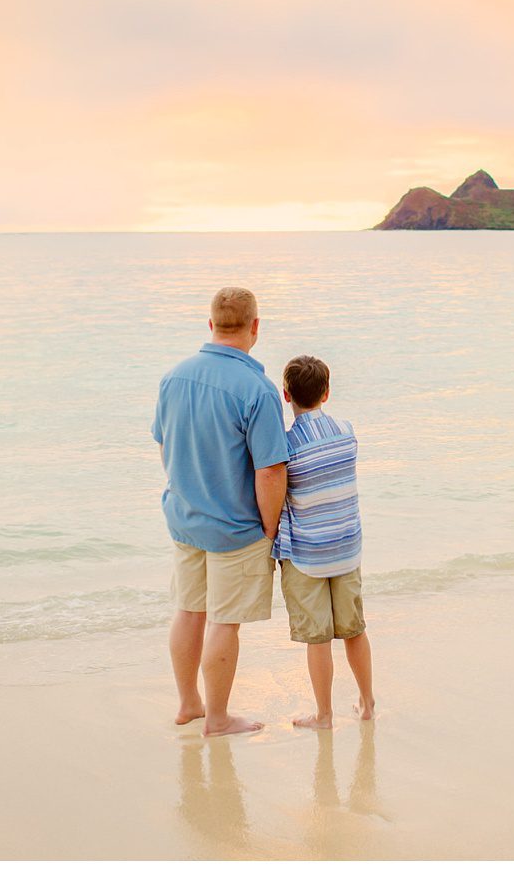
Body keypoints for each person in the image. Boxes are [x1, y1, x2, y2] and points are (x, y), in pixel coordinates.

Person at [151, 287, 288, 737]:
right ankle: (217, 718)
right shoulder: (258, 389)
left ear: (210, 325)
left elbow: (164, 442)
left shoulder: (174, 377)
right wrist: (269, 528)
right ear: (255, 327)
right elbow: (270, 471)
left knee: (189, 611)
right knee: (224, 622)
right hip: (235, 527)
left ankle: (189, 703)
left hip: (184, 518)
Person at [272, 354, 375, 730]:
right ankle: (366, 703)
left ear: (286, 396)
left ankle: (324, 715)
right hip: (346, 549)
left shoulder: (286, 449)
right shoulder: (346, 432)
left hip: (308, 555)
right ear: (326, 393)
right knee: (354, 630)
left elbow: (277, 490)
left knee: (319, 638)